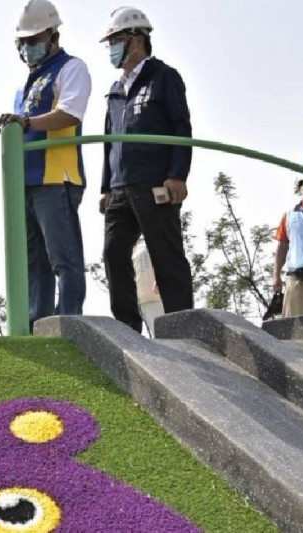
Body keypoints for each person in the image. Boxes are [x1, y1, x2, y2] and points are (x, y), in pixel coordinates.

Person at [0, 0, 91, 329]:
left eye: (35, 39)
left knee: (64, 259)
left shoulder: (71, 68)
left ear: (53, 35)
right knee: (33, 262)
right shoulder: (25, 84)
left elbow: (70, 112)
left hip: (55, 177)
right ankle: (38, 323)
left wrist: (26, 122)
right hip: (26, 181)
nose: (29, 47)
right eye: (24, 41)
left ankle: (69, 324)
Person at [99, 7, 193, 333]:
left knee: (165, 255)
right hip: (120, 188)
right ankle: (126, 328)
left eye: (116, 40)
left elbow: (181, 127)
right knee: (113, 254)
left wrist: (178, 174)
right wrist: (105, 187)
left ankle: (183, 328)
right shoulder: (114, 89)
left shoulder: (164, 77)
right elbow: (109, 142)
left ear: (136, 40)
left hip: (155, 181)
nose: (111, 46)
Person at [272, 176, 303, 317]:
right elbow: (282, 246)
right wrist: (276, 275)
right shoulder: (289, 216)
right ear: (299, 190)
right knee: (294, 326)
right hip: (297, 276)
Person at [132, 236, 164, 336]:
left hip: (153, 297)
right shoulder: (135, 249)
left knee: (159, 333)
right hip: (147, 298)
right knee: (158, 334)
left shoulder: (145, 247)